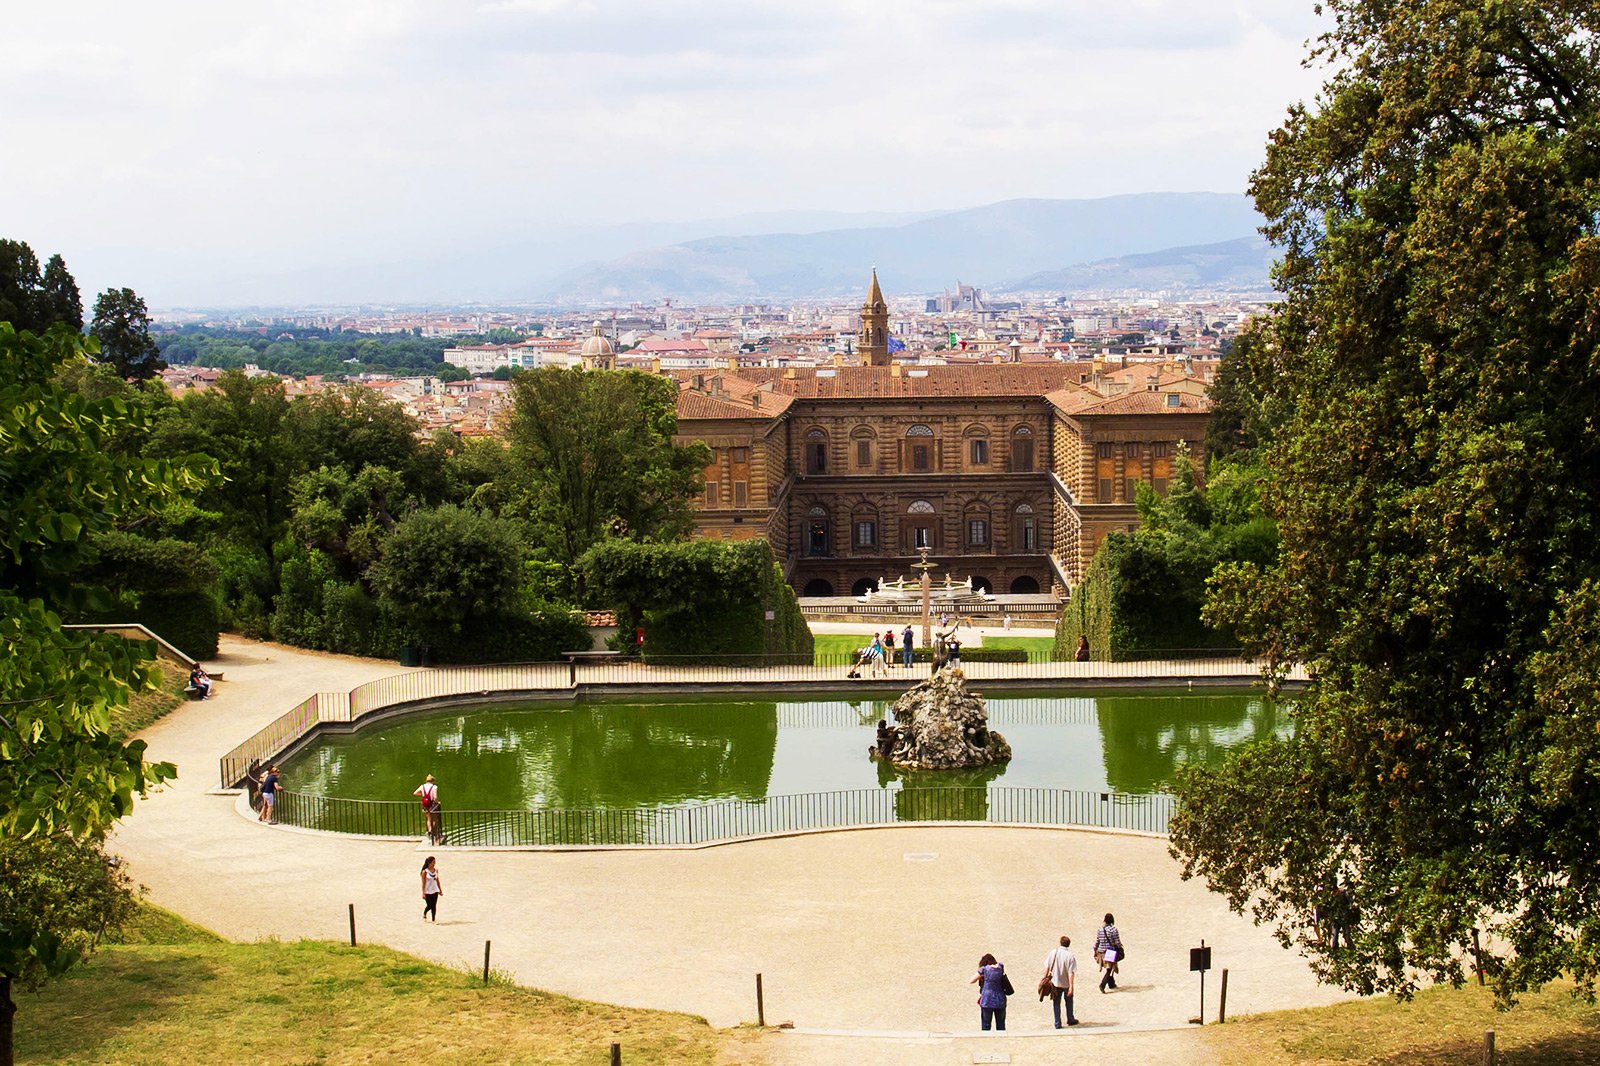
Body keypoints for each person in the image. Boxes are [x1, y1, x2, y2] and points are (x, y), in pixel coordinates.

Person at [1043, 934, 1079, 1027]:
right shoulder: (1070, 956)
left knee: (1056, 1003)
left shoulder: (1053, 952)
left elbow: (1047, 966)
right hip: (1066, 983)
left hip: (1055, 982)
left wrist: (1044, 978)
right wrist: (1071, 986)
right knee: (1069, 1002)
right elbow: (1071, 973)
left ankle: (1057, 1022)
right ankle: (1070, 1019)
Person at [970, 953, 1008, 1031]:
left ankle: (986, 1043)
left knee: (986, 1026)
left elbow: (971, 980)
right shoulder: (1001, 967)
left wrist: (982, 976)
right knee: (1001, 1026)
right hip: (1000, 1000)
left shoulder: (984, 969)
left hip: (987, 1001)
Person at [1095, 913, 1125, 992]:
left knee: (1110, 967)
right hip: (1110, 951)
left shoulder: (1100, 930)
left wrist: (1095, 950)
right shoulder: (1113, 930)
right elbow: (1117, 942)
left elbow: (1097, 942)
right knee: (1109, 968)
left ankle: (1111, 983)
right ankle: (1102, 984)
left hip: (1101, 952)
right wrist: (1120, 947)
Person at [414, 774, 443, 845]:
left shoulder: (422, 786)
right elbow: (435, 797)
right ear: (432, 781)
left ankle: (429, 831)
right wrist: (438, 802)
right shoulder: (434, 787)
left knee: (429, 819)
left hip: (425, 804)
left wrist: (422, 794)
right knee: (435, 819)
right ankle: (434, 832)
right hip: (433, 805)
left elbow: (415, 793)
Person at [421, 856, 442, 922]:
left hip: (435, 890)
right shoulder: (425, 872)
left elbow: (437, 880)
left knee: (434, 906)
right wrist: (423, 893)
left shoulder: (436, 870)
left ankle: (433, 920)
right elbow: (423, 883)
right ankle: (425, 913)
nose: (434, 864)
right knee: (429, 905)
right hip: (428, 891)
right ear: (429, 863)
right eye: (433, 862)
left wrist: (440, 890)